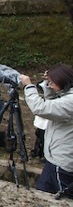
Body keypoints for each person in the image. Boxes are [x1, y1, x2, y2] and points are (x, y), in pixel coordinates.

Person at [21, 64, 73, 198]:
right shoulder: (66, 95)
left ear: (62, 80)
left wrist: (28, 86)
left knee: (64, 199)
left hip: (63, 163)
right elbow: (53, 105)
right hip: (53, 159)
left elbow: (40, 108)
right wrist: (48, 84)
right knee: (42, 194)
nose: (49, 85)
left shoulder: (70, 101)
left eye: (51, 82)